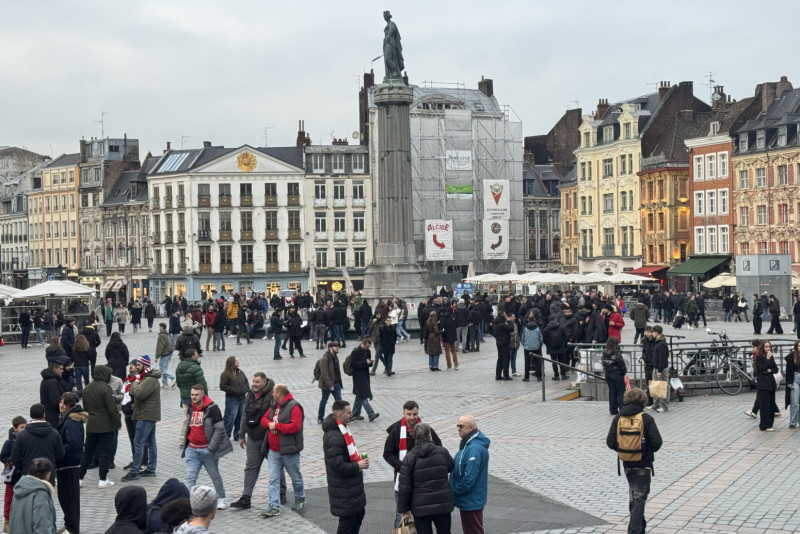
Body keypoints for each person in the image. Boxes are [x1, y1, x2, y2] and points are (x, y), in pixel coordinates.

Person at [606, 388, 663, 534]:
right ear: (643, 401)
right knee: (640, 497)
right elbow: (657, 443)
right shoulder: (646, 418)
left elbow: (610, 442)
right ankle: (634, 530)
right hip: (643, 464)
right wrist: (645, 451)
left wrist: (624, 449)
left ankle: (640, 526)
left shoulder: (619, 418)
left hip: (627, 463)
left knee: (634, 494)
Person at [230, 372, 287, 510]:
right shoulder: (250, 395)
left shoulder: (273, 395)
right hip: (253, 438)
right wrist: (241, 434)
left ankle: (281, 493)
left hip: (268, 438)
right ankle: (246, 498)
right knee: (250, 467)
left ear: (264, 382)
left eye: (257, 382)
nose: (254, 384)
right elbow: (245, 415)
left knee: (275, 467)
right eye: (253, 381)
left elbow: (279, 413)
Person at [383, 401, 442, 528]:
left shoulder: (425, 429)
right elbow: (387, 454)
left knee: (422, 514)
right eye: (409, 414)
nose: (412, 417)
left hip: (422, 480)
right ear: (403, 413)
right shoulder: (396, 430)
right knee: (401, 515)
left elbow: (438, 447)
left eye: (415, 414)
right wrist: (403, 467)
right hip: (402, 479)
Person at [397, 423, 454, 534]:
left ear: (414, 437)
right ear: (430, 436)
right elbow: (451, 466)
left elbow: (404, 486)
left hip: (420, 507)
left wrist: (404, 508)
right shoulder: (442, 452)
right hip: (442, 504)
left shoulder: (409, 458)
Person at [322, 400, 369, 534]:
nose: (351, 414)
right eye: (348, 412)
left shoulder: (342, 429)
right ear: (339, 415)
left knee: (358, 515)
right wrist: (357, 465)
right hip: (344, 489)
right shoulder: (334, 437)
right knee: (347, 524)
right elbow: (338, 465)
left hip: (351, 487)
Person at [181, 385, 231, 510]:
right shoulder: (191, 407)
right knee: (190, 477)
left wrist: (211, 448)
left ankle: (222, 498)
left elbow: (219, 429)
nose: (193, 397)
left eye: (196, 395)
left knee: (215, 476)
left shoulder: (212, 408)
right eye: (192, 394)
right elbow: (188, 426)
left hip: (207, 450)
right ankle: (188, 502)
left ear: (202, 395)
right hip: (192, 449)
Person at [259, 384, 305, 518]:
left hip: (289, 451)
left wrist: (277, 426)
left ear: (279, 393)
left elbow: (295, 426)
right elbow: (263, 419)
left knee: (295, 478)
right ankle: (273, 506)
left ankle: (300, 498)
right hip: (273, 451)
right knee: (273, 479)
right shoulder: (274, 406)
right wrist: (269, 424)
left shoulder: (294, 406)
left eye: (274, 392)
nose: (272, 394)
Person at [78, 365, 120, 488]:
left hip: (91, 425)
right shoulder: (106, 389)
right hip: (106, 426)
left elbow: (86, 408)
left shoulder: (87, 388)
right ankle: (102, 479)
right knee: (105, 452)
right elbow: (112, 409)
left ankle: (79, 478)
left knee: (88, 452)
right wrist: (117, 423)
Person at [122, 356, 161, 481]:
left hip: (146, 415)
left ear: (145, 365)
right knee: (150, 442)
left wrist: (134, 383)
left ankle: (134, 471)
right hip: (146, 414)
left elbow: (139, 393)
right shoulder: (145, 377)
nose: (137, 367)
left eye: (139, 365)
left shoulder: (149, 379)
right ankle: (151, 468)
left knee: (138, 442)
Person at [450, 415, 490, 534]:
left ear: (471, 428)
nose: (458, 429)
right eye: (458, 426)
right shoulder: (469, 444)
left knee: (473, 531)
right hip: (469, 499)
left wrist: (456, 491)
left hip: (471, 500)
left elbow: (470, 477)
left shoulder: (474, 448)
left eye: (461, 426)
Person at [55, 392, 85, 534]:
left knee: (69, 499)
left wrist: (59, 451)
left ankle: (72, 528)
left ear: (69, 405)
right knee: (65, 498)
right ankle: (69, 524)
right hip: (66, 464)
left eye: (63, 403)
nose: (61, 405)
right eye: (61, 402)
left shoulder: (71, 421)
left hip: (69, 465)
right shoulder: (68, 418)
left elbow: (74, 444)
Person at [8, 457, 56, 534]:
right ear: (48, 474)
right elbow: (42, 525)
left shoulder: (19, 488)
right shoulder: (40, 493)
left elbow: (12, 521)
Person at [1, 416, 26, 533]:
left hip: (23, 474)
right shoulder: (9, 442)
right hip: (12, 475)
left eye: (25, 427)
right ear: (15, 428)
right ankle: (7, 521)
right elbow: (3, 456)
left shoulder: (27, 439)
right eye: (21, 427)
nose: (24, 429)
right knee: (9, 499)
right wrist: (10, 461)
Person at [350, 338, 380, 422]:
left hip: (365, 375)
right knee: (363, 396)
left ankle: (355, 413)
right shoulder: (355, 352)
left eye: (368, 347)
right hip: (358, 376)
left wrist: (370, 363)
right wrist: (364, 363)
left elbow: (368, 362)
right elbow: (353, 364)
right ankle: (371, 414)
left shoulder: (367, 351)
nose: (367, 348)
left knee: (359, 395)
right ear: (362, 344)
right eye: (366, 346)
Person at [219, 357, 249, 441]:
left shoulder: (240, 372)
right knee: (230, 418)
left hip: (242, 398)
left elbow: (246, 381)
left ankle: (238, 435)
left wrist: (246, 389)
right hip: (232, 399)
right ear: (231, 362)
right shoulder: (226, 374)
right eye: (236, 361)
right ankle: (225, 435)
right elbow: (222, 386)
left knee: (240, 418)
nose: (238, 362)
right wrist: (233, 391)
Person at [754, 340, 779, 431]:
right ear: (762, 347)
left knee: (771, 404)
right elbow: (761, 368)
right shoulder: (759, 357)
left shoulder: (771, 356)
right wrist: (767, 360)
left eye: (769, 346)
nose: (768, 348)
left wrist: (770, 370)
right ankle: (764, 425)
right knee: (765, 405)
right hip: (763, 384)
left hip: (771, 383)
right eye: (766, 347)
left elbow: (775, 369)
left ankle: (770, 424)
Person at [318, 341, 344, 424]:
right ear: (331, 348)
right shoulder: (325, 358)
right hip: (327, 385)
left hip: (336, 383)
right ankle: (320, 417)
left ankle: (340, 418)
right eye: (336, 347)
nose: (337, 348)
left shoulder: (335, 357)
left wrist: (339, 383)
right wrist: (330, 385)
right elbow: (324, 373)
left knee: (339, 402)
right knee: (324, 400)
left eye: (337, 346)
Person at [602, 337, 627, 416]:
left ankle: (613, 410)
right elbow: (622, 365)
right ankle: (622, 409)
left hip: (608, 374)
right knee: (621, 392)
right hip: (617, 374)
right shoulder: (617, 354)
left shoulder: (604, 353)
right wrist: (624, 372)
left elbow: (603, 363)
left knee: (612, 392)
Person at [648, 325, 669, 413]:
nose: (652, 334)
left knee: (663, 386)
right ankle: (655, 404)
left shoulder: (661, 344)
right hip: (656, 367)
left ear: (656, 332)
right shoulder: (657, 342)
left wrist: (660, 370)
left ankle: (664, 406)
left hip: (661, 369)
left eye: (652, 332)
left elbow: (662, 358)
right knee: (655, 386)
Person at [40, 359, 66, 428]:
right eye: (61, 369)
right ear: (55, 369)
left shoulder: (46, 379)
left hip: (48, 413)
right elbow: (55, 400)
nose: (62, 371)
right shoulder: (52, 382)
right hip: (52, 415)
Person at [543, 314, 569, 381]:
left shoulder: (546, 329)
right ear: (555, 319)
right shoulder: (560, 327)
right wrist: (565, 345)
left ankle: (556, 376)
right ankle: (563, 375)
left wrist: (548, 344)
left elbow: (543, 339)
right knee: (561, 361)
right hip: (561, 347)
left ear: (548, 320)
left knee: (554, 361)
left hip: (551, 348)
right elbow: (565, 337)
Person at [492, 312, 515, 380]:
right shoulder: (502, 325)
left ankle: (498, 375)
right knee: (506, 359)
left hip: (498, 342)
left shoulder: (495, 324)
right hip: (504, 343)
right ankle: (506, 375)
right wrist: (509, 321)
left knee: (500, 359)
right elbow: (511, 329)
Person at [520, 315, 543, 382]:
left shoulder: (525, 328)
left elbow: (522, 338)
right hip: (536, 347)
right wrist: (539, 345)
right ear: (534, 319)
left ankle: (526, 377)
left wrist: (525, 345)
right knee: (537, 362)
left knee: (527, 362)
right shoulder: (537, 328)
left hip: (527, 348)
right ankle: (539, 377)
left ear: (528, 319)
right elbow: (541, 338)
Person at [155, 323, 176, 389]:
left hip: (164, 353)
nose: (159, 328)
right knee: (165, 369)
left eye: (159, 327)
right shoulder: (168, 334)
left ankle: (173, 377)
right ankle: (165, 384)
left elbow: (160, 347)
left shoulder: (161, 336)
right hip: (169, 353)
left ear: (161, 327)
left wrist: (157, 357)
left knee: (161, 368)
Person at [786, 340, 800, 428]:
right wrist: (789, 382)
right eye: (799, 346)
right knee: (795, 402)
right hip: (795, 378)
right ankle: (792, 422)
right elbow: (788, 370)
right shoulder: (791, 356)